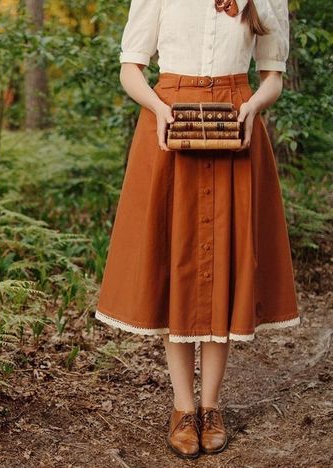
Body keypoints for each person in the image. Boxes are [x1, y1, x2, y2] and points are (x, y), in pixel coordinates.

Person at [93, 0, 301, 460]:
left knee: (222, 264)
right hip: (169, 128)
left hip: (235, 126)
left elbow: (273, 77)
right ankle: (183, 409)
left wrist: (251, 106)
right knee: (179, 265)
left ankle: (211, 407)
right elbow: (131, 69)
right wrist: (158, 107)